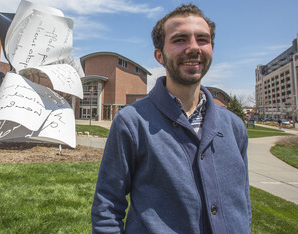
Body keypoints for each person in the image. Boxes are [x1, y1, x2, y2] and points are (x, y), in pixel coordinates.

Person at [91, 4, 251, 233]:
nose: (193, 47)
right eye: (180, 40)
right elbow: (107, 207)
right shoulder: (131, 123)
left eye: (202, 39)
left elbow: (243, 200)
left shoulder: (235, 126)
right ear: (160, 56)